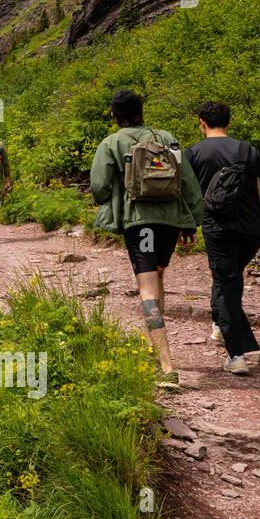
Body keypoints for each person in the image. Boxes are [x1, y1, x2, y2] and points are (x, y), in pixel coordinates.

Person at [90, 90, 203, 388]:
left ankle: (167, 368)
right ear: (142, 111)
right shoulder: (168, 138)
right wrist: (191, 223)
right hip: (170, 222)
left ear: (115, 116)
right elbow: (188, 181)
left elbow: (99, 188)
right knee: (159, 276)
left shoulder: (112, 143)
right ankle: (156, 348)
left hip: (140, 224)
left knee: (147, 290)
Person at [184, 101, 260, 375]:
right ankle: (219, 324)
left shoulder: (193, 153)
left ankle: (237, 354)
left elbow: (187, 195)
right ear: (229, 122)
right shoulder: (247, 150)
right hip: (251, 229)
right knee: (228, 277)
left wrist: (188, 227)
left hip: (218, 228)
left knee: (227, 282)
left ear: (202, 122)